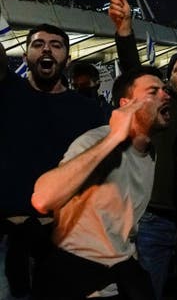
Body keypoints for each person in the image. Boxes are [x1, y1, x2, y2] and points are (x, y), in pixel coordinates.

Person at [30, 65, 172, 299]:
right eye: (153, 91)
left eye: (164, 89)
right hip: (76, 281)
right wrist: (114, 138)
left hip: (117, 278)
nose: (165, 94)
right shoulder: (95, 140)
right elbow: (42, 199)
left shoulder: (151, 152)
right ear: (126, 105)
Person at [108, 0, 177, 300]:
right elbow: (134, 73)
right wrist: (125, 30)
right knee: (148, 291)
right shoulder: (161, 110)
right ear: (169, 80)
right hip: (155, 222)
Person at [0, 25, 104, 299]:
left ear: (67, 60)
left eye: (56, 45)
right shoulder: (7, 93)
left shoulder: (90, 112)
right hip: (8, 237)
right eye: (38, 44)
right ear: (25, 57)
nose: (46, 49)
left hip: (65, 240)